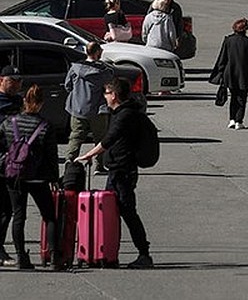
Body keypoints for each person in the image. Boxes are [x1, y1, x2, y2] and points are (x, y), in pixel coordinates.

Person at [77, 78, 154, 269]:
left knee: (127, 212)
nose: (104, 97)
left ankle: (144, 253)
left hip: (123, 171)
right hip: (116, 170)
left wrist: (88, 155)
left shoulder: (126, 115)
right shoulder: (120, 112)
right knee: (112, 212)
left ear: (114, 95)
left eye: (106, 93)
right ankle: (109, 252)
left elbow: (110, 139)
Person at [0, 84, 62, 270]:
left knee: (19, 216)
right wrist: (54, 178)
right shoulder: (45, 126)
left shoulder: (9, 123)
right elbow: (51, 155)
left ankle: (21, 257)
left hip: (14, 176)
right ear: (41, 103)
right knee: (49, 216)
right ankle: (54, 257)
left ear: (24, 102)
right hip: (38, 177)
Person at [64, 41, 113, 168]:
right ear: (97, 52)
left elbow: (67, 86)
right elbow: (111, 84)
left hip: (78, 108)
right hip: (98, 109)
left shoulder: (75, 68)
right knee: (100, 138)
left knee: (76, 136)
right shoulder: (103, 71)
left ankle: (70, 161)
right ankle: (99, 164)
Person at [211, 17, 248, 130]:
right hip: (244, 75)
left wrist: (219, 73)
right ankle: (239, 121)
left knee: (233, 97)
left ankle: (232, 119)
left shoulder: (228, 41)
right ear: (245, 29)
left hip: (230, 74)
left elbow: (222, 58)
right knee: (242, 98)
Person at [0, 68, 21, 265]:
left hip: (11, 162)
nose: (15, 84)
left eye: (18, 81)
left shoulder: (18, 101)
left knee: (6, 209)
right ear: (1, 80)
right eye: (11, 81)